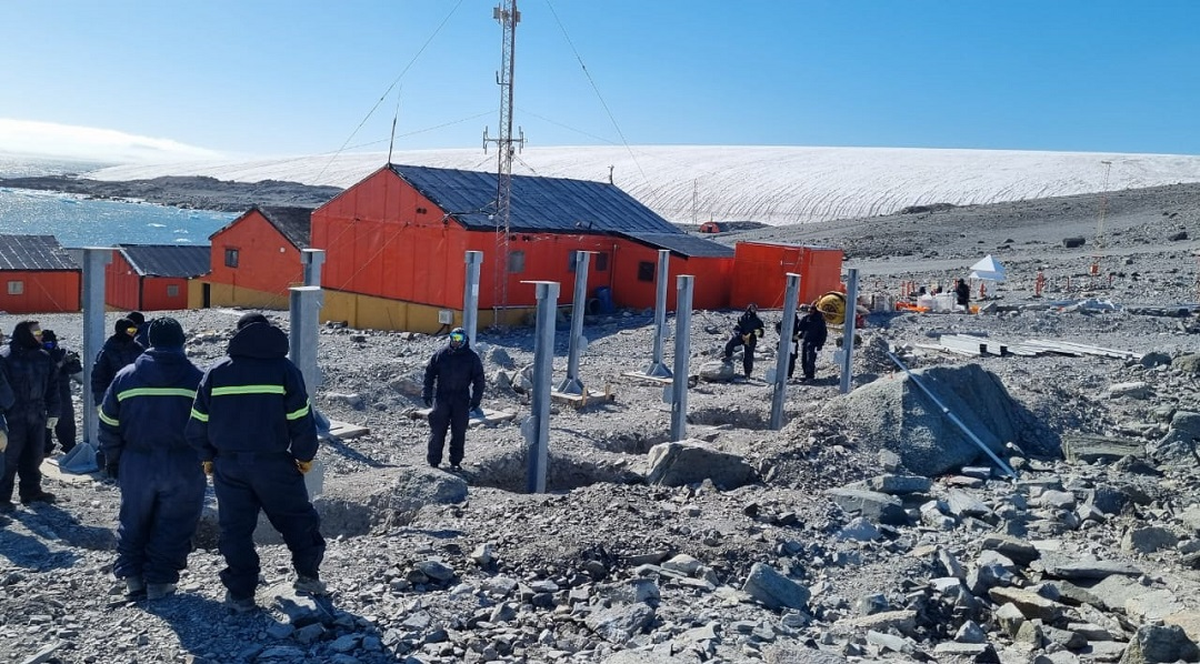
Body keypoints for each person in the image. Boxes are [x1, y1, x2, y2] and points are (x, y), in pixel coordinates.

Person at [185, 312, 326, 612]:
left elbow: (197, 423)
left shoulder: (217, 372)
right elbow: (301, 419)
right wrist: (304, 456)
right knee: (298, 520)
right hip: (274, 463)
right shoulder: (285, 370)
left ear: (238, 335)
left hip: (229, 467)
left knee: (235, 530)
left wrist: (207, 457)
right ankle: (308, 577)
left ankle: (242, 595)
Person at [99, 318, 204, 600]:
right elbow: (213, 424)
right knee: (175, 522)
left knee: (133, 519)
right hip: (184, 464)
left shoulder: (125, 377)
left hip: (137, 461)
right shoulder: (198, 379)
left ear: (147, 343)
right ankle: (159, 582)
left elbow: (108, 422)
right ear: (182, 342)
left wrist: (113, 458)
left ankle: (133, 579)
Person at [0, 321, 61, 512]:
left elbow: (53, 386)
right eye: (36, 332)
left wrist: (54, 411)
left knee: (35, 455)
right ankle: (2, 498)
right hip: (13, 415)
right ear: (25, 334)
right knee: (9, 458)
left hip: (37, 413)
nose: (40, 335)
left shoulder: (44, 357)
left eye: (40, 331)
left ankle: (31, 491)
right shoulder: (5, 357)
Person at [422, 327, 485, 470]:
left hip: (461, 399)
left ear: (464, 340)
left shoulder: (471, 358)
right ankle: (434, 462)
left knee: (459, 432)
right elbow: (429, 373)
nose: (455, 341)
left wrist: (476, 400)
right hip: (442, 397)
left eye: (459, 339)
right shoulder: (441, 354)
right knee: (437, 431)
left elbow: (479, 380)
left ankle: (455, 462)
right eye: (453, 337)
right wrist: (426, 392)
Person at [91, 318, 144, 471]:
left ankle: (130, 466)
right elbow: (98, 378)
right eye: (130, 331)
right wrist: (100, 401)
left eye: (134, 331)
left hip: (135, 397)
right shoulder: (108, 351)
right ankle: (105, 466)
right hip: (112, 398)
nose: (133, 335)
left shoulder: (138, 349)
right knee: (109, 433)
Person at [40, 330, 82, 456]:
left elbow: (78, 374)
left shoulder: (61, 353)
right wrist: (62, 362)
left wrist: (71, 361)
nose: (50, 348)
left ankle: (69, 449)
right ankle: (44, 450)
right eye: (46, 345)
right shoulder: (35, 355)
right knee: (42, 425)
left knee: (66, 423)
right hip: (42, 395)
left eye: (52, 344)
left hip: (61, 393)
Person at [722, 303, 765, 378]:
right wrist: (741, 334)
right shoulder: (742, 318)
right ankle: (728, 357)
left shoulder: (758, 321)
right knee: (730, 344)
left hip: (751, 339)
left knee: (748, 356)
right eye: (752, 308)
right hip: (741, 336)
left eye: (754, 309)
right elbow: (737, 328)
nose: (753, 310)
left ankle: (747, 373)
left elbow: (761, 333)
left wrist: (756, 332)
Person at [795, 305, 828, 382]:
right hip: (805, 341)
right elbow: (800, 327)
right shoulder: (807, 319)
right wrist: (805, 318)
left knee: (810, 359)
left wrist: (820, 344)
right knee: (804, 359)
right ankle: (806, 374)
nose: (810, 312)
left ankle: (810, 375)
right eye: (809, 311)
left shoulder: (819, 320)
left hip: (813, 343)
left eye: (812, 311)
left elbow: (823, 333)